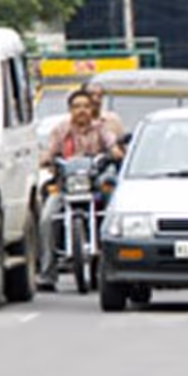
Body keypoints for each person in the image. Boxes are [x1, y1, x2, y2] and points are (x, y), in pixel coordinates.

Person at [38, 89, 123, 290]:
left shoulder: (101, 129)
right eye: (77, 107)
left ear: (91, 108)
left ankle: (113, 262)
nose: (82, 111)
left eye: (85, 106)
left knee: (113, 208)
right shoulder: (60, 130)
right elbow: (48, 152)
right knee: (46, 218)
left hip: (93, 186)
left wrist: (114, 152)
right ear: (70, 110)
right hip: (66, 188)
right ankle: (47, 273)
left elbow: (113, 147)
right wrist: (46, 159)